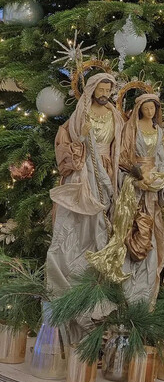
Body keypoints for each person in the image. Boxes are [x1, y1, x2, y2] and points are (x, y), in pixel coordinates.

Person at [46, 73, 125, 344]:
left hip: (107, 175)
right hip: (84, 175)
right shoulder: (80, 114)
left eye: (108, 90)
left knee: (101, 234)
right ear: (92, 89)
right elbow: (66, 144)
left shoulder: (114, 115)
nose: (104, 94)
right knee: (77, 231)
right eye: (100, 89)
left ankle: (95, 299)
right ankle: (69, 289)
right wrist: (81, 138)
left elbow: (119, 147)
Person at [117, 93, 164, 304]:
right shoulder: (132, 129)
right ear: (139, 109)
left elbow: (161, 161)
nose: (149, 112)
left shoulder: (158, 131)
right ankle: (127, 287)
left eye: (153, 108)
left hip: (153, 185)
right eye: (146, 108)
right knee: (132, 229)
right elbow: (123, 159)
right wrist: (136, 178)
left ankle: (145, 290)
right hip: (135, 185)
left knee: (153, 233)